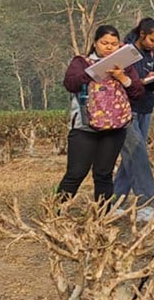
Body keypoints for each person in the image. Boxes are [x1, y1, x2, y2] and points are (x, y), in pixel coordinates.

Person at [58, 25, 145, 202]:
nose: (108, 47)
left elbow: (137, 92)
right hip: (85, 126)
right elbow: (70, 83)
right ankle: (55, 212)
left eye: (113, 43)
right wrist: (93, 72)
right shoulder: (81, 62)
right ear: (95, 43)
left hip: (115, 127)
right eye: (104, 43)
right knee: (76, 173)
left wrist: (122, 78)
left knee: (104, 174)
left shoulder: (125, 66)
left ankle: (101, 217)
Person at [114, 18, 154, 222]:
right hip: (127, 109)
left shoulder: (153, 54)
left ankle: (114, 201)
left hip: (146, 108)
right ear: (142, 34)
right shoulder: (125, 52)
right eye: (153, 40)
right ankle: (147, 203)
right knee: (138, 155)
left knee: (131, 158)